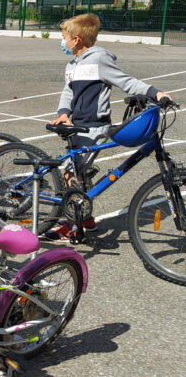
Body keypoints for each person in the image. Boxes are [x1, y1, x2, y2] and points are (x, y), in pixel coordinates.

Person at [45, 13, 171, 240]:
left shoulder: (98, 59)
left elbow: (127, 81)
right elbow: (68, 91)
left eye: (64, 37)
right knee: (77, 173)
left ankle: (74, 222)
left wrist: (156, 92)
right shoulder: (72, 64)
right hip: (77, 125)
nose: (62, 42)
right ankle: (86, 219)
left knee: (70, 171)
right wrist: (64, 113)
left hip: (94, 126)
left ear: (77, 40)